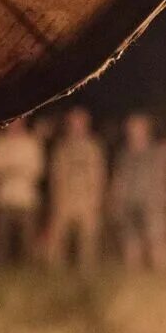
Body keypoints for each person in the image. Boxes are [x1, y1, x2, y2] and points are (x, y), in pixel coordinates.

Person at [43, 107, 107, 269]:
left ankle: (87, 270)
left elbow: (99, 175)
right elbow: (55, 175)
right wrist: (56, 199)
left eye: (80, 122)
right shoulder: (61, 148)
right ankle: (55, 271)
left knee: (88, 238)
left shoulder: (94, 147)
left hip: (86, 200)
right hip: (65, 199)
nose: (77, 126)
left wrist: (97, 199)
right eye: (73, 122)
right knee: (58, 239)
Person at [108, 113, 166, 270]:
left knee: (156, 238)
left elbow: (162, 176)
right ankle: (133, 272)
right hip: (129, 201)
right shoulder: (124, 153)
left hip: (151, 201)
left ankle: (160, 272)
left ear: (146, 129)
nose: (135, 131)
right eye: (132, 128)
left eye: (138, 127)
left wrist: (162, 197)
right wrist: (116, 198)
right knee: (131, 239)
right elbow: (119, 177)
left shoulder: (156, 152)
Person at [0, 118, 46, 265]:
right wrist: (14, 169)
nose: (14, 124)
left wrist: (11, 169)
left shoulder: (32, 142)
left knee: (27, 241)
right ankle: (0, 271)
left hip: (26, 199)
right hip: (3, 198)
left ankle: (28, 270)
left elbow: (37, 169)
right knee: (1, 241)